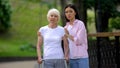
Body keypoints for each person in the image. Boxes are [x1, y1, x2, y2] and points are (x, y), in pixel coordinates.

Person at [64, 4, 89, 68]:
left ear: (75, 13)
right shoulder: (66, 27)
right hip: (71, 58)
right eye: (66, 12)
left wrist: (68, 35)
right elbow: (66, 44)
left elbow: (79, 40)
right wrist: (66, 55)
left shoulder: (80, 24)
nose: (68, 14)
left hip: (82, 57)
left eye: (70, 11)